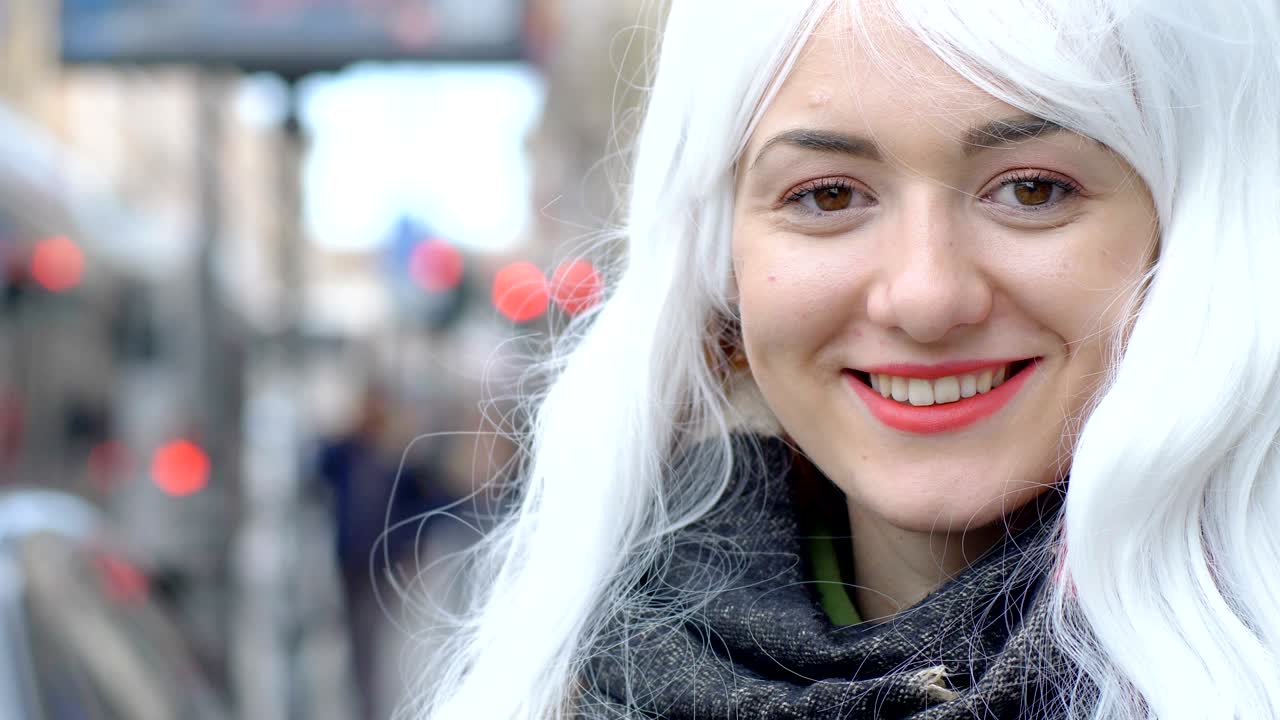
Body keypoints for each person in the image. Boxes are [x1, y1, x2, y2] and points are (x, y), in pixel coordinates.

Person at [411, 1, 1280, 718]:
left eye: (1032, 188)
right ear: (722, 271)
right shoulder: (573, 687)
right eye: (828, 195)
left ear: (1188, 238)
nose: (926, 297)